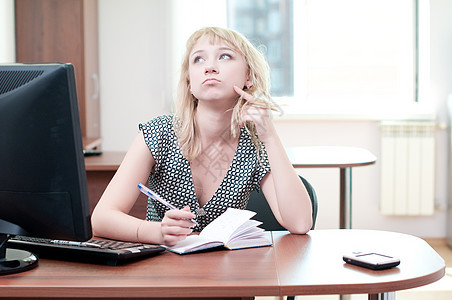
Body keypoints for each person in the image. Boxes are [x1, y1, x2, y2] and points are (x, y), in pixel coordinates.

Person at [91, 27, 312, 246]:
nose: (210, 67)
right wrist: (158, 232)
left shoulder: (255, 145)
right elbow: (101, 218)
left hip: (226, 272)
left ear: (249, 77)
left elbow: (300, 223)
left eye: (224, 56)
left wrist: (270, 136)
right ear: (189, 82)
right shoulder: (158, 133)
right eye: (198, 59)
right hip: (162, 270)